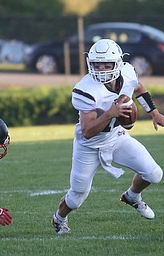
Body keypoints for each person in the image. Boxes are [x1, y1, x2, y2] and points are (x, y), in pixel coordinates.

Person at [52, 39, 164, 234]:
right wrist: (110, 113)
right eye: (97, 64)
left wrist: (153, 113)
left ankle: (132, 196)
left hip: (116, 137)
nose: (101, 69)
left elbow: (138, 88)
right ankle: (59, 218)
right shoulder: (85, 89)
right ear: (90, 64)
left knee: (154, 174)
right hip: (89, 146)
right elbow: (87, 131)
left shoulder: (128, 72)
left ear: (118, 63)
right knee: (77, 196)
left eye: (107, 65)